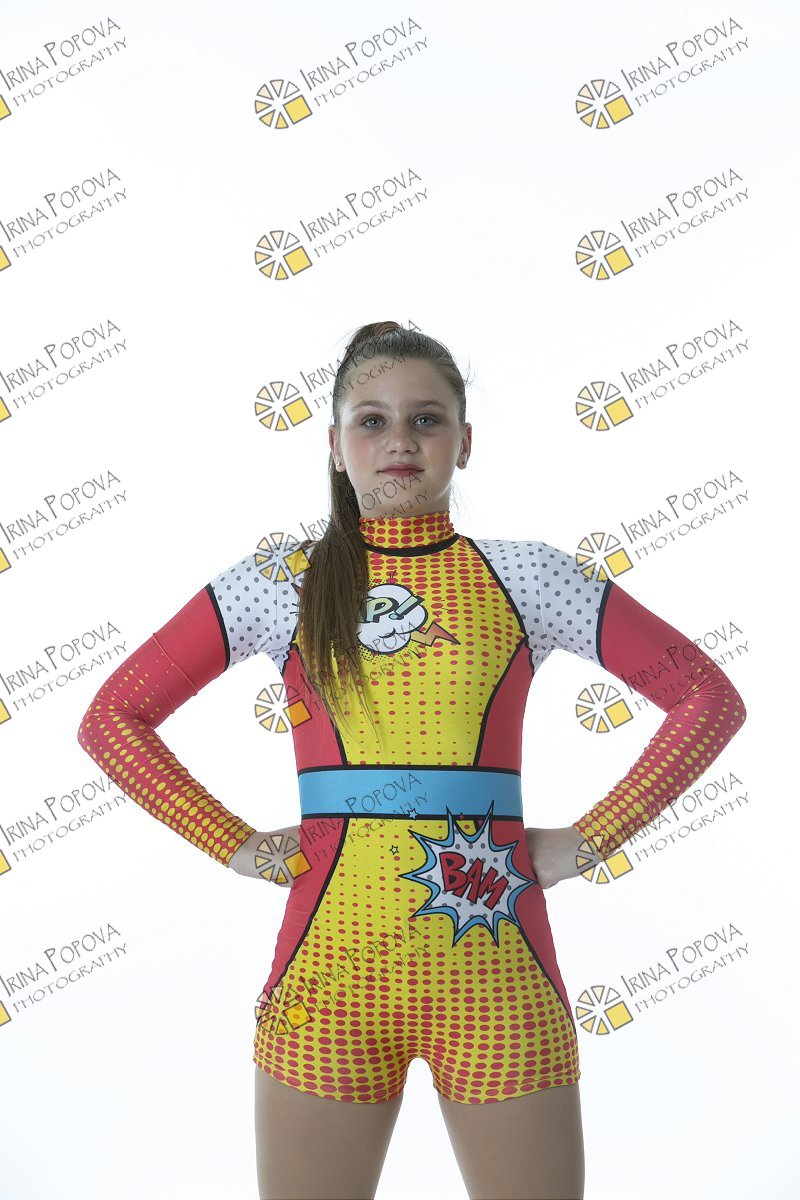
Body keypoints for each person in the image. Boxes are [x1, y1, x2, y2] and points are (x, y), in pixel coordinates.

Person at [77, 322, 747, 1200]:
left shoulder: (527, 577)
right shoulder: (281, 580)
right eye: (373, 420)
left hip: (499, 979)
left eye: (427, 418)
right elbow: (113, 719)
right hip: (329, 983)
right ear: (334, 445)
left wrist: (591, 840)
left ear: (464, 442)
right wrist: (234, 844)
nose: (400, 439)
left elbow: (707, 697)